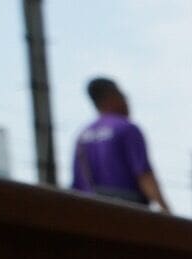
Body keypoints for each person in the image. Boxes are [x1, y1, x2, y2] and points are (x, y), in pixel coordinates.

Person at [70, 77, 169, 211]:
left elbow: (76, 185)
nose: (127, 101)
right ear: (112, 97)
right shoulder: (127, 129)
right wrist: (165, 208)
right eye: (122, 96)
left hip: (89, 211)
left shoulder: (82, 136)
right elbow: (144, 175)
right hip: (127, 211)